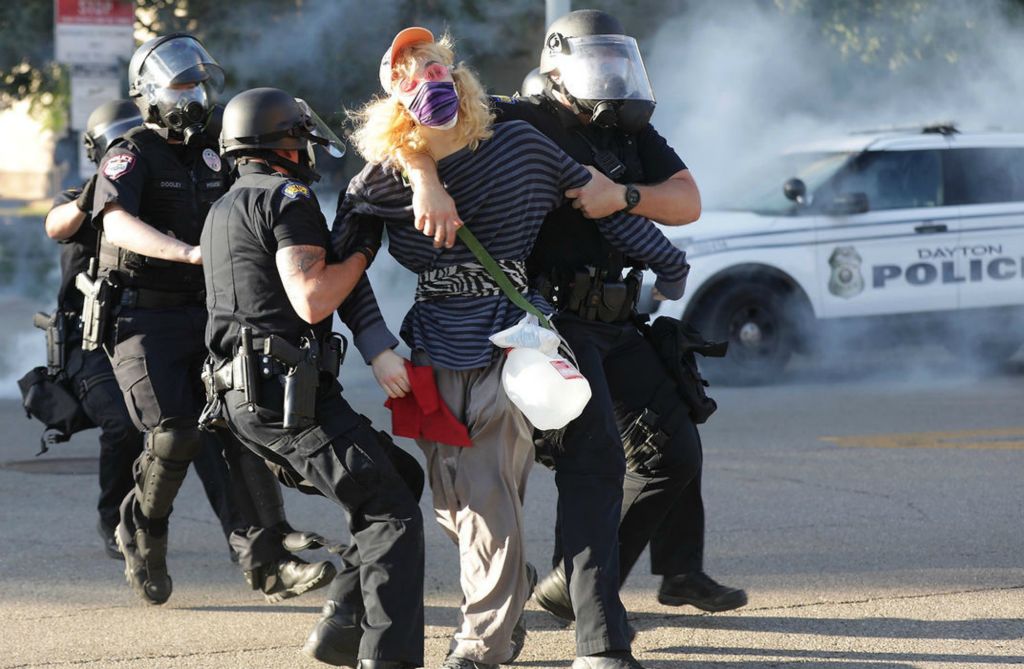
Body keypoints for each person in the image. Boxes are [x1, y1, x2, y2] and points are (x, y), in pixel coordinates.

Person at [334, 28, 688, 669]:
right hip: (429, 351)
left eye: (436, 64)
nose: (429, 80)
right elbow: (348, 266)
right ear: (392, 93)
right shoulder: (378, 182)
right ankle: (509, 587)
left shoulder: (522, 143)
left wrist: (670, 265)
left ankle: (483, 645)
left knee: (490, 498)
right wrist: (376, 344)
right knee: (455, 504)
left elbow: (600, 206)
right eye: (412, 72)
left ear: (458, 75)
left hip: (510, 344)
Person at [409, 7, 746, 661]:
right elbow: (418, 130)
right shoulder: (523, 117)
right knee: (597, 465)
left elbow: (686, 200)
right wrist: (425, 179)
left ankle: (574, 587)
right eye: (599, 62)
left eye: (619, 61)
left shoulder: (625, 130)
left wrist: (620, 196)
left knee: (673, 453)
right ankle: (600, 642)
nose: (613, 75)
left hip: (619, 320)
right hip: (551, 323)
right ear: (558, 63)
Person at [91, 34, 333, 605]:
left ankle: (269, 561)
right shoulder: (129, 152)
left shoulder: (214, 146)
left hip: (209, 310)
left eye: (198, 83)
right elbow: (115, 223)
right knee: (175, 434)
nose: (192, 96)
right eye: (180, 86)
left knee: (239, 426)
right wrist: (187, 252)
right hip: (142, 315)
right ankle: (141, 529)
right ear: (148, 94)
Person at [202, 86, 425, 669]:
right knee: (389, 515)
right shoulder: (288, 195)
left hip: (244, 400)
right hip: (285, 399)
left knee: (396, 475)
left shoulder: (225, 204)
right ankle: (388, 657)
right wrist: (363, 249)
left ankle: (341, 628)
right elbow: (313, 295)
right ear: (286, 142)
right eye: (300, 136)